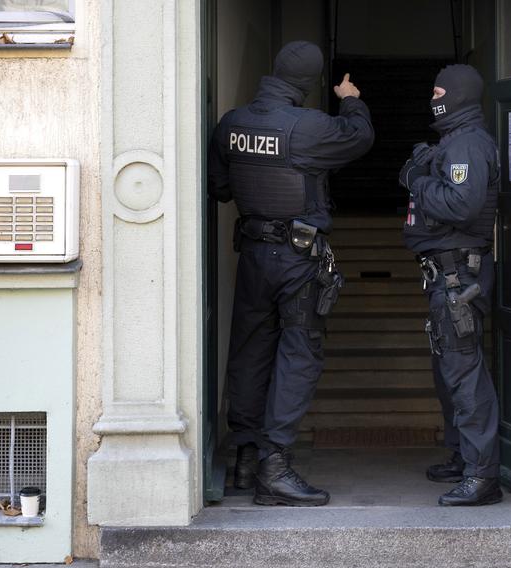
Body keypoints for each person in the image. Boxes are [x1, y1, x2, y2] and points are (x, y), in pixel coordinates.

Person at [208, 41, 374, 507]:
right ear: (310, 83)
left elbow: (219, 188)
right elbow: (360, 138)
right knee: (298, 354)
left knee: (250, 349)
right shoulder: (309, 128)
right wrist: (352, 99)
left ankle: (243, 455)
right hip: (297, 260)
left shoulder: (232, 124)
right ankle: (275, 467)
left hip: (253, 256)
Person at [398, 63, 502, 506]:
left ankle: (483, 477)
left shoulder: (467, 145)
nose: (433, 97)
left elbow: (461, 205)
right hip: (446, 273)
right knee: (449, 372)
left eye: (440, 90)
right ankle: (463, 457)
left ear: (458, 96)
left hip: (460, 274)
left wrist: (419, 182)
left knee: (464, 373)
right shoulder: (453, 143)